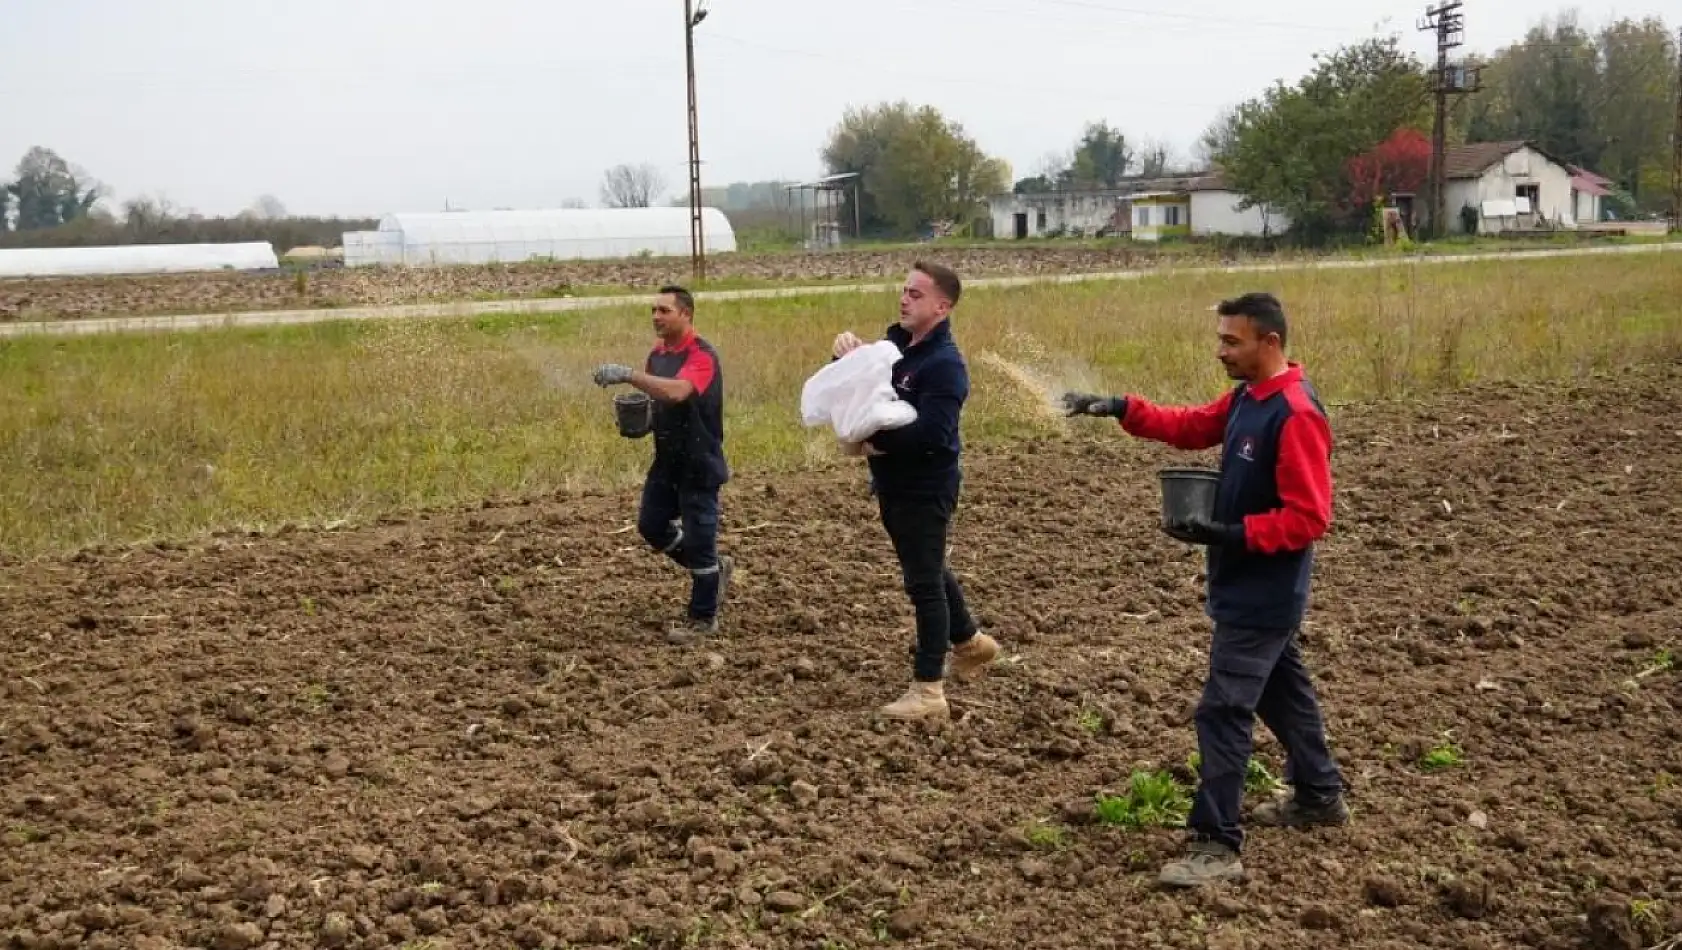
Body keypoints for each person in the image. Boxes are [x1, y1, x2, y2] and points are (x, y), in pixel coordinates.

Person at [1061, 291, 1348, 888]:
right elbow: (1194, 427)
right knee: (1279, 692)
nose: (1220, 350)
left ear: (1268, 343)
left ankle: (1216, 844)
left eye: (1231, 341)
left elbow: (1309, 516)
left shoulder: (1295, 413)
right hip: (1243, 584)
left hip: (1263, 593)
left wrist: (1230, 532)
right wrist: (1119, 407)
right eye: (1220, 338)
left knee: (1223, 711)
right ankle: (1319, 794)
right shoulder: (1249, 397)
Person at [830, 261, 1000, 720]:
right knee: (927, 566)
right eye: (904, 291)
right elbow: (864, 391)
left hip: (925, 487)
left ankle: (929, 691)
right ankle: (970, 641)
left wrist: (874, 442)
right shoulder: (896, 347)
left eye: (916, 294)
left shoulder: (946, 366)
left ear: (942, 307)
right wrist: (846, 358)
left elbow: (934, 434)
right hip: (893, 483)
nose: (904, 299)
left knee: (923, 583)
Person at [592, 284, 733, 645]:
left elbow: (678, 391)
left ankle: (703, 620)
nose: (656, 316)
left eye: (664, 310)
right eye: (653, 310)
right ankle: (715, 573)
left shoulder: (702, 355)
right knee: (651, 525)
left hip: (699, 462)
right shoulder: (657, 354)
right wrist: (645, 418)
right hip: (667, 461)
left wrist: (627, 375)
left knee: (701, 542)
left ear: (685, 314)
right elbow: (660, 397)